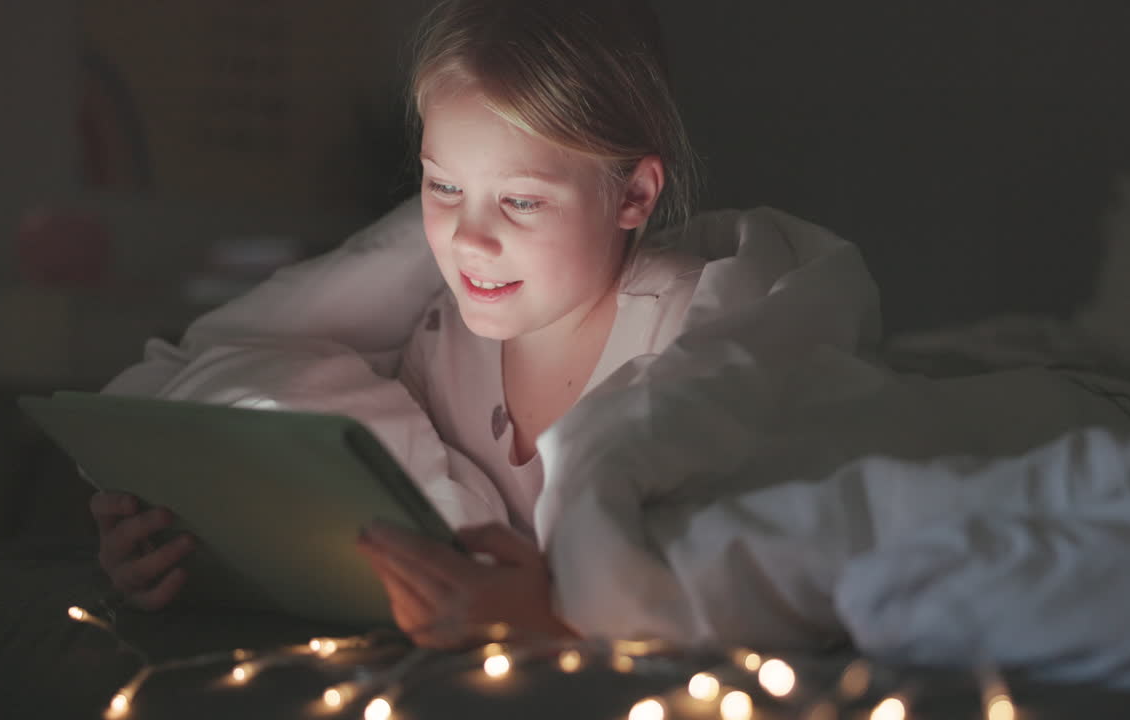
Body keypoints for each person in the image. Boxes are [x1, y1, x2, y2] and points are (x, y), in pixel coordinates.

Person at [89, 0, 704, 647]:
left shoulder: (691, 346)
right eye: (442, 189)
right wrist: (173, 547)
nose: (470, 240)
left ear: (634, 194)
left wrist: (550, 620)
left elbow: (762, 575)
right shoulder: (435, 346)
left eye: (520, 201)